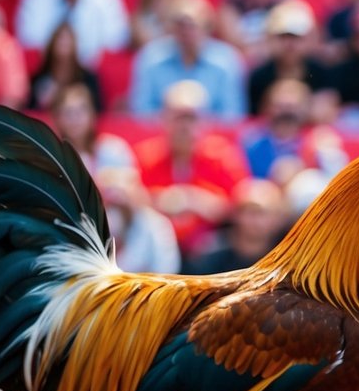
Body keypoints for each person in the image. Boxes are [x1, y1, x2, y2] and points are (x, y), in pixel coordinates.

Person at [131, 79, 250, 256]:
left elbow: (240, 203)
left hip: (212, 248)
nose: (185, 127)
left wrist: (192, 200)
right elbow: (133, 200)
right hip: (156, 245)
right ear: (164, 119)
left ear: (206, 120)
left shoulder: (223, 155)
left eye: (192, 118)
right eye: (179, 118)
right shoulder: (145, 155)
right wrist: (166, 200)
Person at [129, 0, 246, 121]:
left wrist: (192, 127)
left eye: (192, 25)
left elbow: (232, 117)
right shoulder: (150, 57)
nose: (186, 32)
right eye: (180, 25)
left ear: (207, 27)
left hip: (212, 138)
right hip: (162, 136)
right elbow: (141, 113)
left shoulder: (227, 60)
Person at [183, 178, 290, 274]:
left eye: (267, 213)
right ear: (235, 214)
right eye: (251, 212)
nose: (258, 221)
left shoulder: (288, 259)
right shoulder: (209, 256)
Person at [246, 0, 323, 118]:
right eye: (283, 37)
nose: (289, 44)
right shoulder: (258, 77)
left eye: (296, 37)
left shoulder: (322, 73)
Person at [97, 166, 181, 275]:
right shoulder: (98, 224)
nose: (117, 200)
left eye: (121, 196)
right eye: (111, 201)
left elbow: (167, 269)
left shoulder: (157, 225)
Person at [48, 82, 135, 174]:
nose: (74, 119)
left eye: (80, 111)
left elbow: (132, 185)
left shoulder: (113, 150)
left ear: (93, 114)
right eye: (68, 113)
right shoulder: (52, 157)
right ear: (56, 119)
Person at [26, 22, 102, 112]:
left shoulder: (89, 80)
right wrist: (42, 103)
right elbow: (30, 113)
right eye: (60, 39)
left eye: (68, 40)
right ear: (51, 45)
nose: (64, 44)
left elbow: (98, 113)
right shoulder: (38, 80)